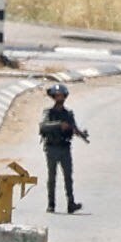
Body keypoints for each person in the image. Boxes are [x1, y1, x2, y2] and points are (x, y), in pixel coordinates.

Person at [38, 83, 85, 214]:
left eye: (61, 96)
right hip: (52, 147)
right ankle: (51, 204)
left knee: (68, 177)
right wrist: (59, 125)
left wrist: (78, 132)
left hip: (64, 147)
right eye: (57, 95)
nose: (59, 98)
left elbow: (74, 127)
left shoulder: (68, 114)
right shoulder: (48, 112)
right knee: (52, 177)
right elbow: (43, 126)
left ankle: (71, 203)